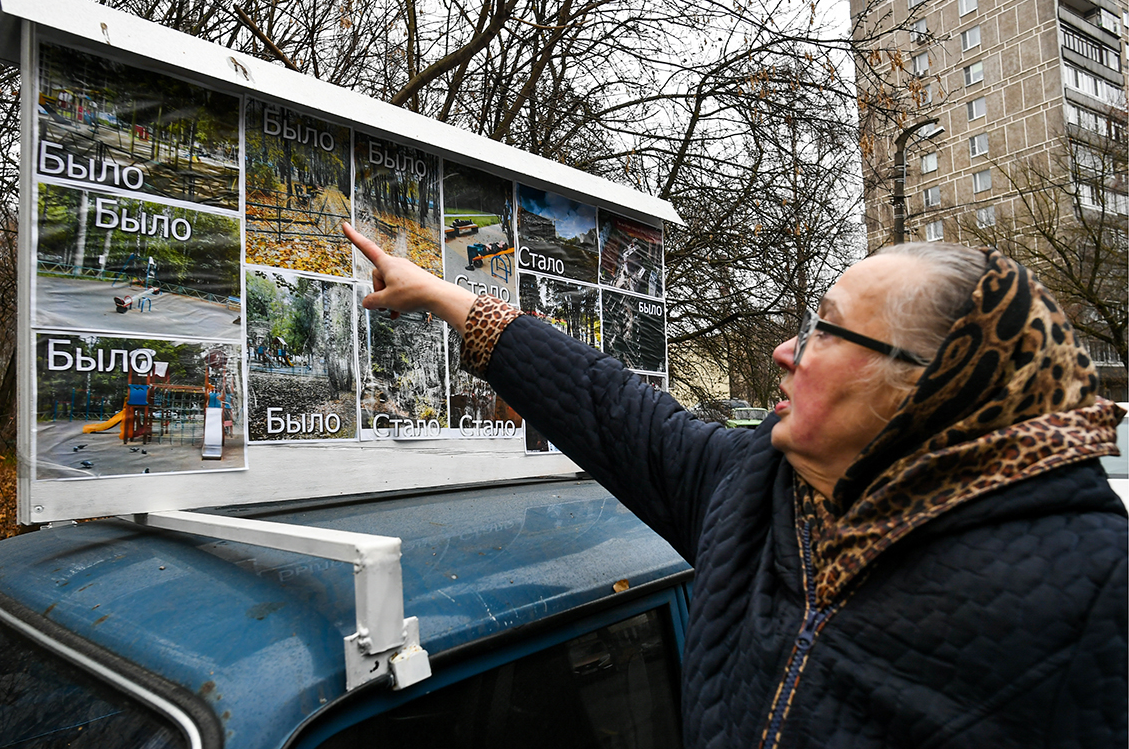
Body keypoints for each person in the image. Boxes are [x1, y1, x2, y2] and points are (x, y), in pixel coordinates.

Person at [343, 223, 1126, 748]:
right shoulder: (757, 493)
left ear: (925, 384)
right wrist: (445, 297)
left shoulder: (1096, 586)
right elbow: (610, 409)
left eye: (824, 327)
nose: (786, 350)